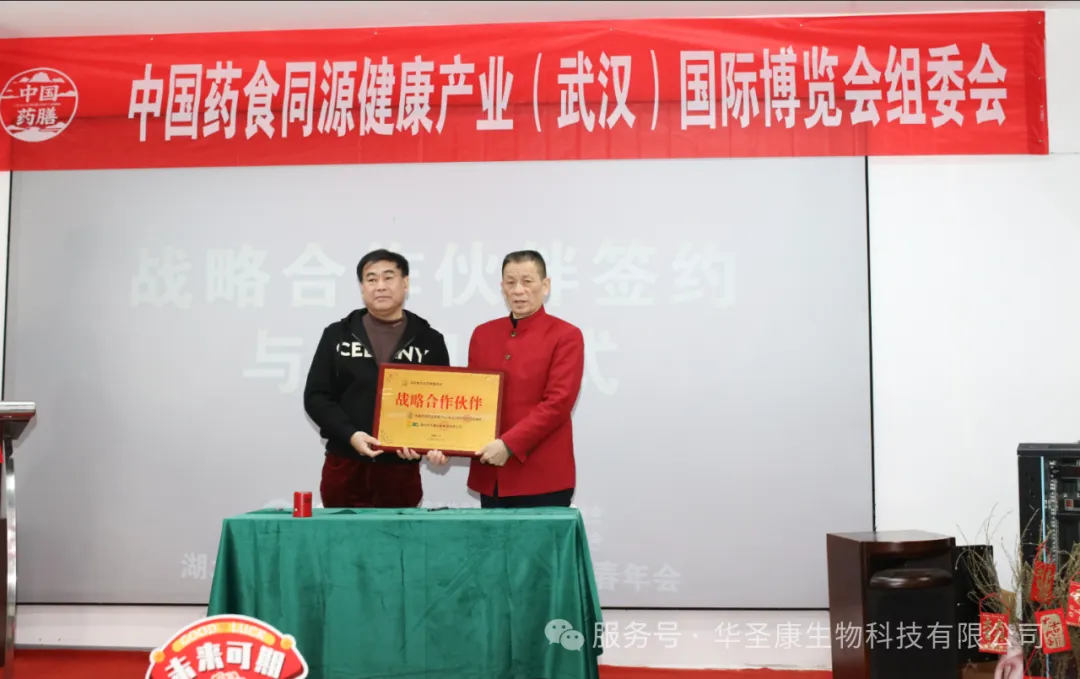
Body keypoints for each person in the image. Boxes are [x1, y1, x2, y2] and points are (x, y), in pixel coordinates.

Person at [430, 250, 584, 508]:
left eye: (527, 281)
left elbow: (558, 403)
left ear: (545, 285)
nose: (518, 290)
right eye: (511, 282)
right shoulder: (483, 334)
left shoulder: (565, 335)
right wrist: (445, 444)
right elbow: (471, 400)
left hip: (543, 476)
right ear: (502, 288)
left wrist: (509, 445)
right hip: (492, 476)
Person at [303, 249, 450, 508]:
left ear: (405, 283)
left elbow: (440, 404)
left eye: (388, 277)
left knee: (398, 535)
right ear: (362, 288)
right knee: (341, 534)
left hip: (399, 470)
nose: (380, 286)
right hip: (345, 464)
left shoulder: (429, 340)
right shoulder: (337, 335)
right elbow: (316, 397)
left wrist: (430, 444)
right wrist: (350, 435)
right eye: (371, 279)